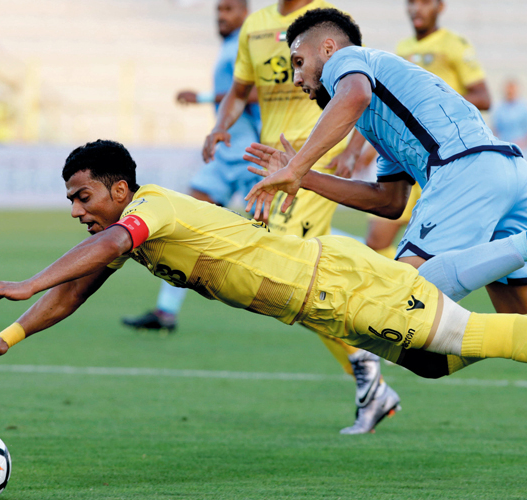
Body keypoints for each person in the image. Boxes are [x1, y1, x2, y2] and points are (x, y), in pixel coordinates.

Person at [0, 140, 527, 443]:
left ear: (119, 189)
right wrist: (7, 336)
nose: (78, 209)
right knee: (440, 361)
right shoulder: (142, 232)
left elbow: (102, 246)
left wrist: (24, 280)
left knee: (466, 337)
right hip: (326, 298)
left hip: (338, 284)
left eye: (82, 195)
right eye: (72, 200)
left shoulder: (151, 209)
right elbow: (78, 290)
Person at [242, 8, 527, 482]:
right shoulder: (375, 110)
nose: (296, 76)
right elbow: (389, 200)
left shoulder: (351, 63)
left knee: (398, 301)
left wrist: (297, 166)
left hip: (465, 172)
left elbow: (354, 94)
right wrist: (306, 180)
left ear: (328, 49)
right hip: (506, 173)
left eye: (299, 61)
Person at [201, 0, 392, 435]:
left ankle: (367, 360)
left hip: (310, 162)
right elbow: (240, 89)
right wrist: (220, 124)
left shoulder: (327, 24)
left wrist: (354, 147)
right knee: (296, 276)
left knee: (280, 268)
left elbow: (358, 87)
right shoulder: (256, 26)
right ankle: (365, 359)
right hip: (272, 161)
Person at [121, 0, 262, 334]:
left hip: (250, 151)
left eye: (228, 10)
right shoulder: (231, 46)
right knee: (182, 224)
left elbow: (256, 92)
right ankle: (165, 312)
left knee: (281, 231)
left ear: (245, 11)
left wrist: (200, 98)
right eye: (218, 11)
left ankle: (367, 249)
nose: (221, 17)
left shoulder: (251, 42)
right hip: (226, 152)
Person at [365, 0, 492, 260]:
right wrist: (370, 147)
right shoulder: (403, 49)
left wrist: (434, 101)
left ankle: (418, 293)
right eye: (411, 3)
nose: (416, 9)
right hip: (406, 155)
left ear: (440, 7)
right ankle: (397, 290)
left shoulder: (453, 45)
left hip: (442, 160)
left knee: (428, 251)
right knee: (376, 241)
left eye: (424, 3)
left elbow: (484, 97)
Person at [491, 78, 527, 149]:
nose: (510, 92)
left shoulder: (526, 108)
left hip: (523, 151)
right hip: (504, 149)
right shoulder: (499, 108)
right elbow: (494, 130)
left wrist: (524, 143)